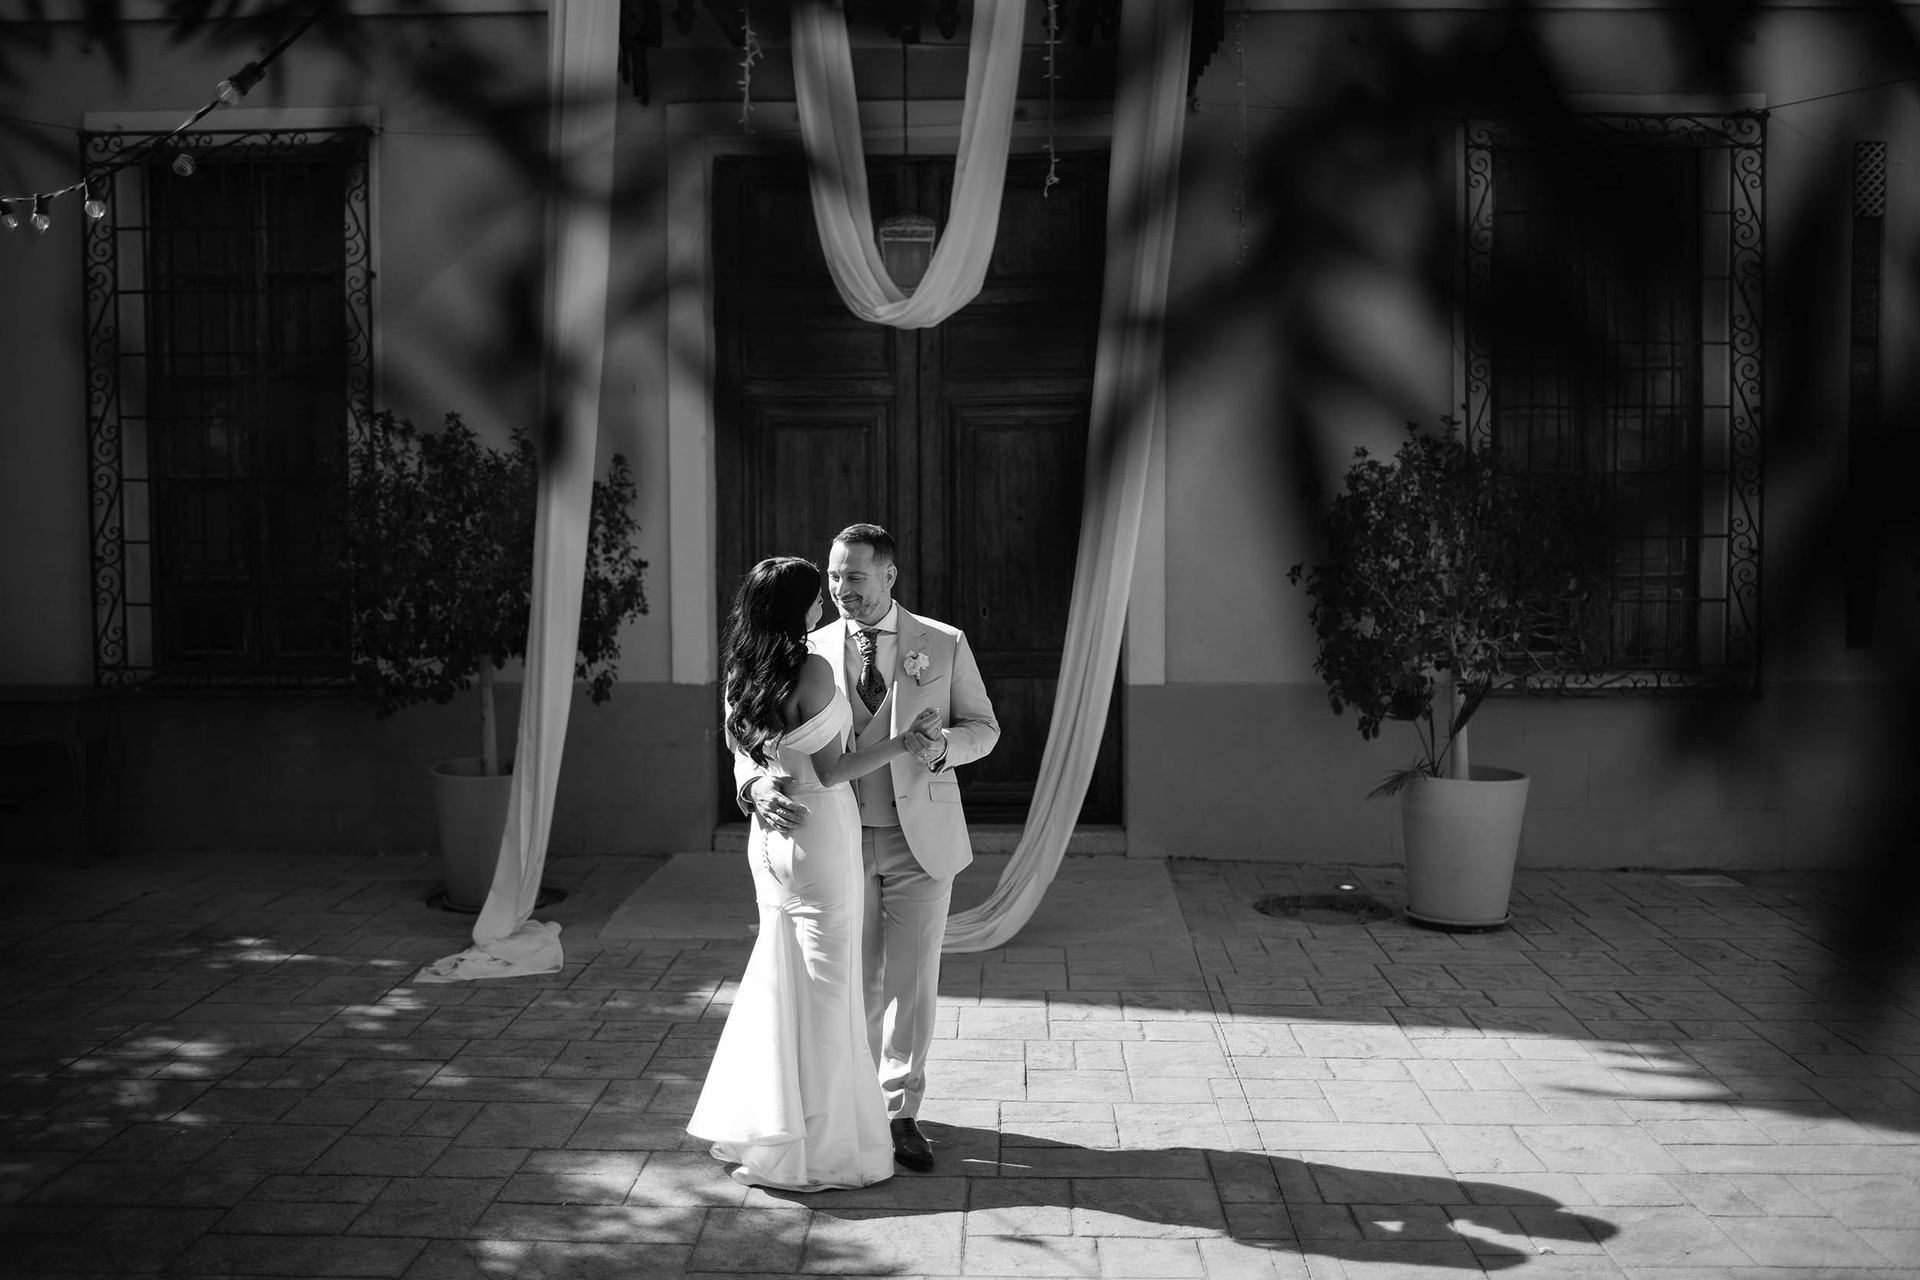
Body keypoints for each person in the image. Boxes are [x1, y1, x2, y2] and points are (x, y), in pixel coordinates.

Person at [737, 524, 999, 1172]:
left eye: (854, 576)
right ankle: (852, 1107)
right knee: (850, 980)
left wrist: (941, 748)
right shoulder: (809, 645)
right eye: (832, 576)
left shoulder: (943, 642)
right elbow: (753, 728)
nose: (840, 589)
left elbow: (984, 727)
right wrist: (752, 783)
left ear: (888, 575)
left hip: (921, 838)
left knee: (914, 980)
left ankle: (901, 1112)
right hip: (836, 841)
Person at [688, 556, 940, 1191]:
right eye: (816, 593)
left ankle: (773, 1123)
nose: (825, 602)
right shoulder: (815, 668)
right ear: (798, 607)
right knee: (829, 992)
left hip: (769, 840)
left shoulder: (742, 669)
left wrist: (753, 785)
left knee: (781, 979)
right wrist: (903, 742)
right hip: (820, 831)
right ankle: (825, 1146)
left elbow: (743, 751)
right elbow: (832, 770)